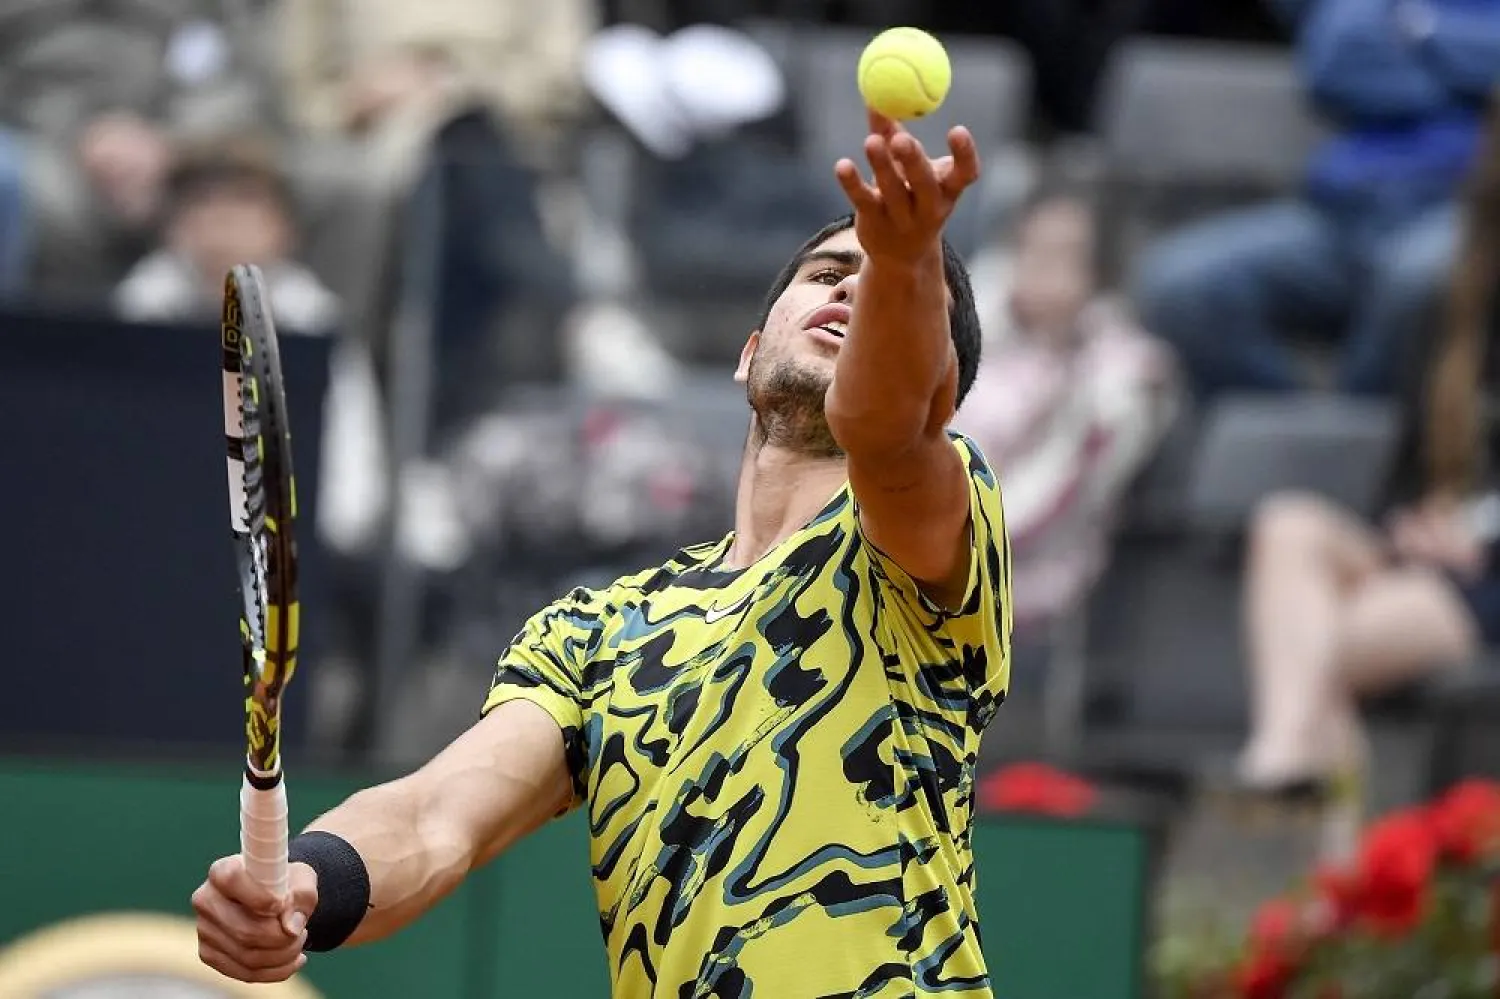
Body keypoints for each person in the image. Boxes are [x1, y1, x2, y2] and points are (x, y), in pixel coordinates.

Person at [191, 110, 1013, 996]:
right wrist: (309, 884)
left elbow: (888, 429)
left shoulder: (928, 542)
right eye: (825, 273)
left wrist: (909, 265)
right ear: (746, 355)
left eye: (888, 294)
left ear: (944, 396)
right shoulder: (597, 630)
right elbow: (438, 815)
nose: (852, 290)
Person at [1234, 94, 1500, 800]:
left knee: (1321, 650)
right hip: (1443, 561)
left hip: (1488, 578)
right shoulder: (1456, 303)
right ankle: (1292, 760)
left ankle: (1293, 773)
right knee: (1288, 523)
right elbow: (1411, 471)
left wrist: (1478, 537)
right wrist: (1418, 521)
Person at [1134, 0, 1500, 399]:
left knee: (1419, 278)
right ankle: (1299, 436)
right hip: (1346, 211)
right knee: (1180, 285)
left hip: (1468, 217)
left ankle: (1356, 430)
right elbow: (1332, 61)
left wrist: (1419, 33)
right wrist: (1468, 83)